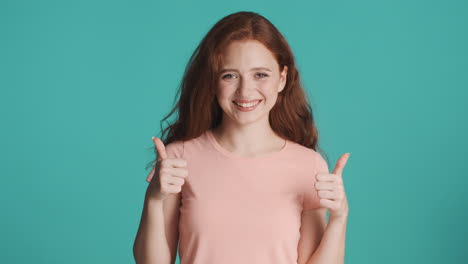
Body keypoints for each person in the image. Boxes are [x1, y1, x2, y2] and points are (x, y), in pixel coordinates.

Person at [133, 11, 350, 264]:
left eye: (260, 75)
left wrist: (340, 217)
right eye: (230, 75)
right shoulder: (179, 158)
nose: (245, 90)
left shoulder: (308, 165)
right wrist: (154, 199)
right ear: (213, 81)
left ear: (282, 79)